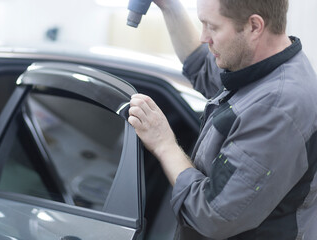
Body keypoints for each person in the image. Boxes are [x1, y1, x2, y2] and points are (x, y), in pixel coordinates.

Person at [127, 0, 317, 239]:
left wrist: (163, 144)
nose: (204, 37)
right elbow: (202, 68)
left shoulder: (278, 108)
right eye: (202, 24)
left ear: (254, 27)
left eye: (212, 27)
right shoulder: (256, 64)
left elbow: (212, 215)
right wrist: (168, 6)